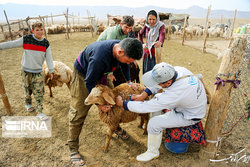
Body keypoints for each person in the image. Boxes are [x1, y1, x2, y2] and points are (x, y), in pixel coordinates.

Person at [68, 38, 143, 166]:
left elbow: (124, 64)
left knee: (112, 102)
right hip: (84, 76)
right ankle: (73, 147)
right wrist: (99, 104)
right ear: (120, 52)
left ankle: (115, 126)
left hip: (101, 73)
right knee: (79, 112)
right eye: (128, 60)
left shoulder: (123, 47)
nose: (128, 63)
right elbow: (89, 81)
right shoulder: (99, 57)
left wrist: (129, 82)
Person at [116, 62, 207, 162]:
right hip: (190, 105)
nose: (156, 84)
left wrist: (123, 104)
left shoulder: (175, 93)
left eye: (159, 83)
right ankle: (157, 130)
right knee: (158, 97)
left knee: (153, 124)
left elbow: (147, 107)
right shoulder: (177, 70)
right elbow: (158, 84)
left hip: (189, 115)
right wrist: (143, 95)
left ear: (168, 83)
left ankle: (153, 152)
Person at [0, 22, 54, 121]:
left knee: (39, 91)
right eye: (37, 30)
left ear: (44, 30)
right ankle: (28, 103)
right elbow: (12, 44)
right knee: (27, 89)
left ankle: (39, 111)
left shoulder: (46, 43)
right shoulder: (27, 39)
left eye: (41, 29)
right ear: (32, 30)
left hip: (38, 71)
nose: (40, 32)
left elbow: (49, 57)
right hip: (26, 70)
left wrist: (51, 70)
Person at [138, 9, 165, 74]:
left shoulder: (160, 26)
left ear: (157, 19)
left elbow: (162, 34)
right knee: (146, 70)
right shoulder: (146, 26)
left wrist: (160, 42)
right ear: (147, 19)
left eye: (153, 19)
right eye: (150, 19)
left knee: (156, 69)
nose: (152, 21)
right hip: (147, 51)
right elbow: (140, 34)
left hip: (155, 51)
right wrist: (142, 43)